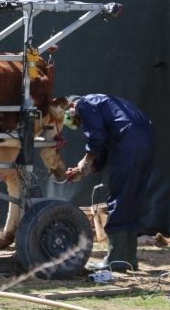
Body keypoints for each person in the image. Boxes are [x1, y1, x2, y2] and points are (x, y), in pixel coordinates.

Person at [63, 94, 155, 271]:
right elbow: (104, 145)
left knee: (119, 197)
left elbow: (96, 139)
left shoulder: (84, 104)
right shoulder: (107, 105)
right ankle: (129, 258)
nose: (80, 123)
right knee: (131, 198)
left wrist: (86, 161)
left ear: (71, 106)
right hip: (146, 141)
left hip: (128, 143)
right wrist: (84, 169)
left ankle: (115, 259)